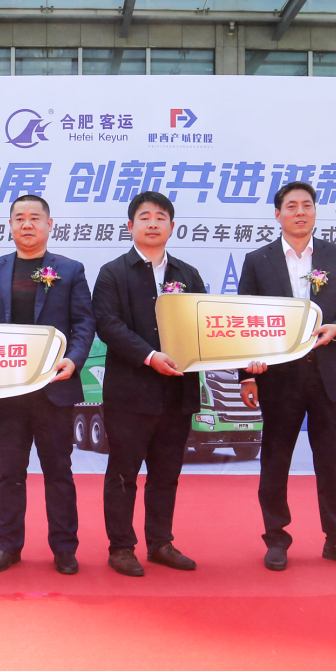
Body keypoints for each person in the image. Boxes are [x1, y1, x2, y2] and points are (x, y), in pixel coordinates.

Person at [238, 181, 336, 571]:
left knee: (330, 461)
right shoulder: (258, 260)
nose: (300, 212)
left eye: (307, 205)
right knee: (275, 460)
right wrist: (247, 376)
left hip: (329, 375)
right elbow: (244, 320)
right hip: (279, 378)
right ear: (277, 214)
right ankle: (276, 539)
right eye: (292, 206)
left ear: (315, 212)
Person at [0, 195, 96, 575]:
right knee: (10, 473)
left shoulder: (70, 270)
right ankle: (7, 546)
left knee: (59, 473)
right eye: (20, 218)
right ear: (10, 225)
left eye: (35, 218)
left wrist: (75, 359)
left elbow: (84, 323)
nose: (27, 224)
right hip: (8, 391)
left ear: (49, 224)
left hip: (54, 389)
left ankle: (64, 548)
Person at [91, 190, 205, 577]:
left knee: (166, 474)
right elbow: (108, 325)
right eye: (145, 217)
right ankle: (121, 547)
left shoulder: (188, 275)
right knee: (123, 474)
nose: (153, 223)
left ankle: (160, 543)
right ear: (130, 226)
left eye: (160, 217)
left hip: (177, 393)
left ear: (172, 227)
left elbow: (203, 324)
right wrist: (150, 356)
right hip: (130, 393)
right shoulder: (113, 273)